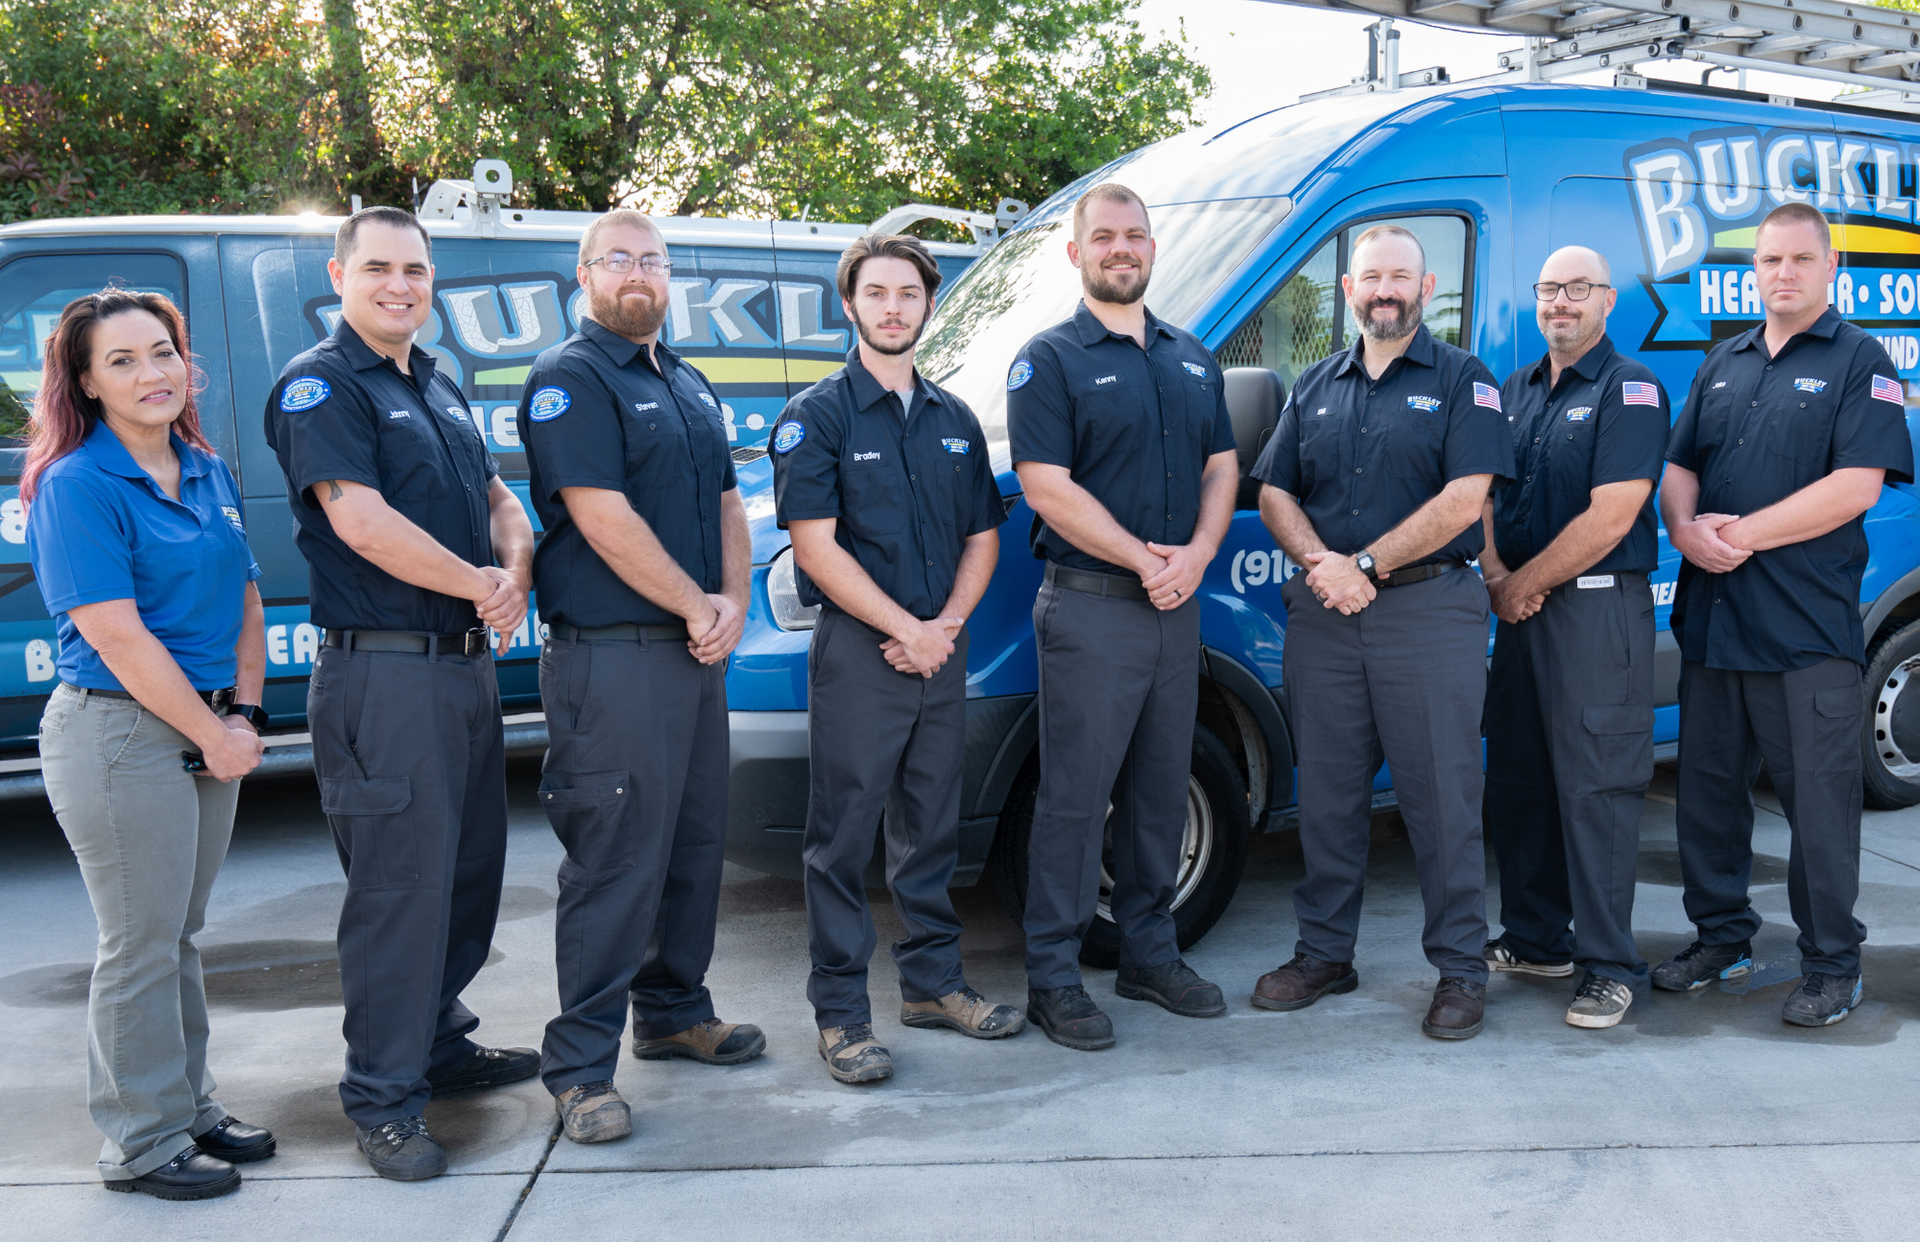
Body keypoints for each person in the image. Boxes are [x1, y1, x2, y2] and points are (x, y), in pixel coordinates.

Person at [263, 206, 537, 1180]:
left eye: (415, 270)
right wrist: (483, 584)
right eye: (377, 267)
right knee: (399, 895)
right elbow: (363, 524)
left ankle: (439, 1043)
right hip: (382, 673)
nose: (399, 285)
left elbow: (499, 498)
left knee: (467, 875)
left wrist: (513, 565)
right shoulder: (320, 387)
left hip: (461, 668)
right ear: (338, 275)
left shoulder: (438, 379)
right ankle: (383, 1100)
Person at [516, 209, 764, 1140]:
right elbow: (599, 514)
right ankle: (581, 1069)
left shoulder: (688, 380)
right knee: (615, 857)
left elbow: (731, 502)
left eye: (652, 260)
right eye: (617, 258)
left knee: (694, 846)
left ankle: (673, 1012)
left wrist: (731, 601)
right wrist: (696, 606)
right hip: (612, 656)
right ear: (582, 275)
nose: (638, 273)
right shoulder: (570, 379)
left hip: (696, 653)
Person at [24, 289, 274, 1200]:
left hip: (210, 724)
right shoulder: (75, 485)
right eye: (122, 360)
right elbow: (119, 637)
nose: (151, 373)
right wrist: (213, 731)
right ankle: (139, 1142)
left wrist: (244, 714)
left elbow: (247, 602)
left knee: (179, 934)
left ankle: (188, 1106)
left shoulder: (202, 467)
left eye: (162, 352)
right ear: (85, 382)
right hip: (120, 732)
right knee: (138, 941)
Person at [1249, 224, 1514, 1040]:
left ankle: (1461, 971)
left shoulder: (1465, 380)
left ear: (1427, 289)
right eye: (1371, 277)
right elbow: (1274, 493)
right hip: (1327, 620)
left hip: (1427, 614)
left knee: (1441, 799)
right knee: (1327, 797)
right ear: (1349, 290)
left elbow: (1467, 497)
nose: (1384, 290)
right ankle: (1325, 954)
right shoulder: (1314, 384)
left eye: (1400, 276)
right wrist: (1322, 563)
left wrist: (1362, 566)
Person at [772, 233, 1020, 1084]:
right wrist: (905, 629)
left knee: (930, 830)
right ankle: (842, 1017)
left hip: (938, 651)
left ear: (927, 304)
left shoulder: (954, 420)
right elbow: (816, 547)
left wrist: (944, 624)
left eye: (907, 294)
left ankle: (932, 985)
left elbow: (982, 536)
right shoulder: (818, 417)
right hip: (860, 653)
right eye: (875, 293)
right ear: (850, 305)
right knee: (841, 839)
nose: (891, 308)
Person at [1657, 202, 1911, 1026]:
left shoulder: (1860, 361)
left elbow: (1855, 487)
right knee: (1707, 797)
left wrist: (1739, 540)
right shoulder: (1723, 360)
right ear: (1755, 269)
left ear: (1831, 267)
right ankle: (1722, 938)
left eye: (1801, 260)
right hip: (1714, 626)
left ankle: (1833, 965)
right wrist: (1686, 532)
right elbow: (1678, 464)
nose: (1784, 274)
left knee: (1820, 809)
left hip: (1804, 633)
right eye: (1770, 261)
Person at [1007, 183, 1238, 1051]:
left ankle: (1149, 952)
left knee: (1157, 787)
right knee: (1074, 798)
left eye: (1134, 235)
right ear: (1076, 253)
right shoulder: (1050, 359)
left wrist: (1200, 552)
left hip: (1176, 611)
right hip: (1094, 609)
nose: (1120, 249)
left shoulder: (1190, 356)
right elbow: (1045, 486)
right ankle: (1054, 978)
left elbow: (1223, 462)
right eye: (1102, 237)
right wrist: (1146, 559)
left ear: (1152, 248)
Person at [1479, 246, 1669, 1029]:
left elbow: (1613, 513)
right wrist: (1496, 577)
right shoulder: (1514, 389)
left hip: (1593, 613)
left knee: (1596, 791)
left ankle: (1608, 966)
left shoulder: (1632, 389)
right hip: (1518, 612)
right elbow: (1480, 495)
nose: (1562, 302)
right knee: (1519, 782)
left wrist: (1524, 584)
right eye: (1550, 289)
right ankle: (1534, 940)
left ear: (1607, 300)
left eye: (1578, 288)